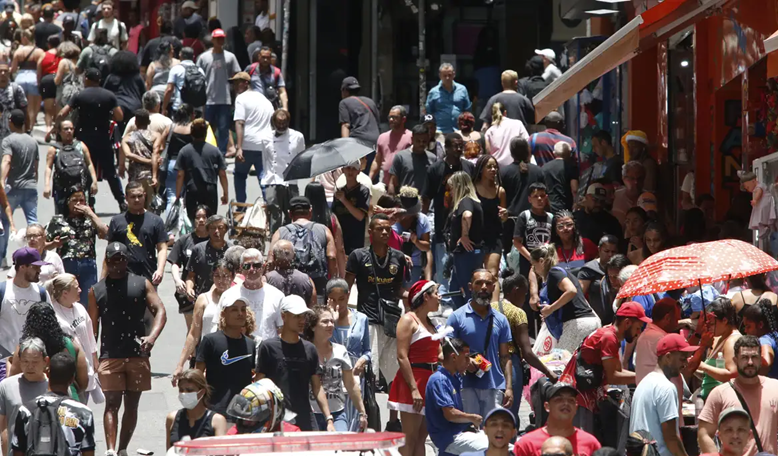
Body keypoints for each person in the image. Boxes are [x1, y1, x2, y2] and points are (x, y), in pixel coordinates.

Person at [88, 241, 166, 456]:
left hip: (137, 354)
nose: (116, 264)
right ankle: (111, 450)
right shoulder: (97, 290)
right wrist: (92, 356)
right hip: (109, 355)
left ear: (126, 260)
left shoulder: (142, 283)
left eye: (121, 259)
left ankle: (122, 448)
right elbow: (92, 328)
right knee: (111, 403)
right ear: (106, 261)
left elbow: (160, 310)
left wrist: (152, 337)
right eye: (112, 260)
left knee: (132, 404)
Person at [559, 302, 649, 436]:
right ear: (627, 323)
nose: (638, 333)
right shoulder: (609, 338)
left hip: (584, 394)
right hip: (579, 397)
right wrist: (646, 378)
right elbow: (613, 376)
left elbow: (617, 371)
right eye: (638, 328)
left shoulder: (611, 334)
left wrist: (644, 375)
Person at [345, 214, 408, 389]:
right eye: (380, 228)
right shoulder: (358, 256)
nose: (385, 232)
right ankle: (365, 411)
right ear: (370, 231)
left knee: (393, 373)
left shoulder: (399, 257)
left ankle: (394, 415)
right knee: (368, 369)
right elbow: (346, 287)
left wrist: (412, 298)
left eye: (388, 229)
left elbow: (398, 288)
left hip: (391, 321)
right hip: (368, 320)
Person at [256, 295, 333, 431]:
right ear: (283, 316)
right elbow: (259, 384)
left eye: (303, 316)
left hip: (305, 419)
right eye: (297, 316)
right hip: (276, 421)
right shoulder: (268, 347)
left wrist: (329, 419)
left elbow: (317, 387)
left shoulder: (310, 349)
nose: (302, 320)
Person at [53, 68, 125, 211]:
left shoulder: (80, 96)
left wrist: (56, 127)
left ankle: (89, 201)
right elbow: (120, 116)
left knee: (85, 170)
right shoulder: (109, 96)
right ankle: (121, 201)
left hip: (84, 139)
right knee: (110, 173)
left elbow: (64, 112)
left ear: (86, 78)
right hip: (103, 139)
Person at [447, 270, 512, 417]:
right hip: (465, 386)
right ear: (470, 287)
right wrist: (465, 360)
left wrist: (508, 387)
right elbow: (446, 350)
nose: (484, 287)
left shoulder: (501, 320)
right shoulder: (456, 318)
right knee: (470, 432)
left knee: (492, 432)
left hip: (494, 386)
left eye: (488, 284)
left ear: (494, 288)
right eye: (479, 283)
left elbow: (505, 357)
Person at [698, 336, 778, 456]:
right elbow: (704, 434)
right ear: (735, 360)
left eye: (754, 357)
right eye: (745, 358)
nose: (750, 362)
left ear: (760, 360)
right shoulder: (720, 393)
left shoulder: (775, 388)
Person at [388, 280, 441, 456]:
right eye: (436, 293)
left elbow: (439, 355)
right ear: (425, 297)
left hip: (429, 383)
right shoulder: (408, 320)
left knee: (421, 437)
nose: (439, 297)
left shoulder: (432, 323)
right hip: (413, 382)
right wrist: (414, 389)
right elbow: (402, 356)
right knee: (409, 438)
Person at [496, 270, 557, 420]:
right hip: (511, 365)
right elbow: (527, 353)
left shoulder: (491, 308)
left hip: (491, 365)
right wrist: (549, 372)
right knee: (510, 415)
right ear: (516, 290)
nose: (525, 299)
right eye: (524, 294)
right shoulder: (518, 313)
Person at [12, 352, 96, 456]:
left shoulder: (26, 410)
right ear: (72, 379)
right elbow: (88, 452)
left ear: (47, 373)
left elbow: (18, 451)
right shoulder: (84, 413)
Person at [631, 334, 699, 456]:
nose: (685, 364)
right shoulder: (666, 387)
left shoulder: (644, 383)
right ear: (668, 357)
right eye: (682, 359)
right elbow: (671, 438)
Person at [304, 305, 368, 432]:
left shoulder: (340, 350)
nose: (330, 325)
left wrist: (362, 412)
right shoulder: (304, 351)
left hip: (338, 413)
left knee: (340, 449)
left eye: (332, 321)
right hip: (311, 415)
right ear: (312, 326)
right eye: (325, 321)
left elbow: (350, 383)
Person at [8, 302, 89, 401]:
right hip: (68, 402)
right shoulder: (71, 345)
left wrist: (8, 362)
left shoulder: (24, 348)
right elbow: (83, 383)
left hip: (34, 405)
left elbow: (13, 380)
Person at [171, 259, 234, 385]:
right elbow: (193, 334)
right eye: (217, 276)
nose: (221, 280)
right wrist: (180, 365)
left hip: (232, 356)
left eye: (225, 276)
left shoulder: (238, 299)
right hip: (208, 356)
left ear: (232, 277)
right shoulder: (203, 299)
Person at [423, 133, 474, 285]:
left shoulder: (469, 167)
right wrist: (421, 222)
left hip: (466, 227)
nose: (459, 149)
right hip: (443, 227)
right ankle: (445, 302)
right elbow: (426, 197)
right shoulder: (435, 169)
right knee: (444, 269)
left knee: (464, 270)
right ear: (446, 148)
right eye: (455, 146)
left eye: (461, 145)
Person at [529, 243, 600, 353]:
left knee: (560, 363)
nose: (534, 269)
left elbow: (571, 290)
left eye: (534, 265)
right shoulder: (562, 273)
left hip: (578, 324)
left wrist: (551, 308)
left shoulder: (554, 272)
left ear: (541, 261)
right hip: (590, 321)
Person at [425, 337, 488, 456]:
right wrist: (472, 418)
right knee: (494, 447)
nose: (469, 361)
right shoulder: (439, 380)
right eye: (466, 357)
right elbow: (450, 414)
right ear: (454, 357)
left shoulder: (454, 377)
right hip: (449, 437)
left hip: (459, 433)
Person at [195, 294, 255, 417]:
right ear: (223, 314)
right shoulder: (210, 341)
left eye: (243, 309)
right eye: (234, 310)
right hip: (215, 411)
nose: (240, 313)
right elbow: (198, 375)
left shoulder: (250, 344)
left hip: (243, 414)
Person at [45, 188, 106, 305]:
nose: (78, 204)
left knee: (88, 300)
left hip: (88, 264)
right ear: (67, 202)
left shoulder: (91, 220)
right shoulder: (58, 220)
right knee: (66, 300)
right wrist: (53, 244)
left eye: (82, 200)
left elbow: (105, 234)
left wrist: (91, 214)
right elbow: (42, 245)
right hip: (67, 264)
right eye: (74, 200)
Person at [326, 278, 371, 431]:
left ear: (348, 295)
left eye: (342, 299)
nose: (338, 304)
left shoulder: (361, 318)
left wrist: (363, 360)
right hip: (333, 376)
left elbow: (367, 350)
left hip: (355, 375)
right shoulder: (324, 321)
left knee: (355, 419)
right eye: (333, 299)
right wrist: (332, 319)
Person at [268, 195, 336, 296]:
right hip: (318, 282)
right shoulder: (324, 230)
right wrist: (332, 281)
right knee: (317, 310)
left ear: (290, 213)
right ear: (310, 211)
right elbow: (332, 256)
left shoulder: (280, 232)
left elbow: (270, 260)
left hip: (288, 283)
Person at [47, 274, 98, 401]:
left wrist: (94, 356)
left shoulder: (80, 308)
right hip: (70, 370)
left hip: (87, 366)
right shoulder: (53, 314)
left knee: (84, 403)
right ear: (65, 293)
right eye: (76, 288)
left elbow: (90, 333)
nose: (80, 290)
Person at [513, 383, 601, 456]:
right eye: (559, 400)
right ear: (547, 406)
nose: (566, 403)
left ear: (576, 407)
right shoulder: (527, 444)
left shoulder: (590, 443)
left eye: (571, 400)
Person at [214, 249, 284, 341]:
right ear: (241, 268)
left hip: (267, 352)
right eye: (247, 266)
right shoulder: (228, 295)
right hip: (237, 352)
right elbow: (220, 327)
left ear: (263, 267)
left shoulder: (277, 296)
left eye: (256, 265)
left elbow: (282, 330)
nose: (252, 269)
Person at [105, 182, 167, 286]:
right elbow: (109, 252)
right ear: (126, 198)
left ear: (145, 195)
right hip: (122, 277)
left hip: (148, 276)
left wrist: (160, 270)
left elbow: (162, 248)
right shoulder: (117, 221)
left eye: (140, 196)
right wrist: (104, 277)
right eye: (133, 197)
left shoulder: (156, 221)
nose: (137, 200)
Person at [0, 247, 52, 371]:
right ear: (22, 267)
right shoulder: (3, 292)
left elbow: (51, 325)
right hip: (5, 362)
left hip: (34, 362)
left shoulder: (41, 293)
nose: (40, 270)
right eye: (35, 267)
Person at [0, 337, 49, 456]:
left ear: (45, 361)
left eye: (35, 362)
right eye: (25, 361)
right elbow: (3, 427)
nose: (30, 366)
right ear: (19, 361)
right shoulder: (6, 386)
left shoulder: (54, 387)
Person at [0, 110, 37, 262]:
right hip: (30, 186)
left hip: (13, 187)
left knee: (4, 222)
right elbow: (36, 165)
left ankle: (2, 257)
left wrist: (2, 179)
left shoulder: (8, 141)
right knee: (33, 222)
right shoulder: (33, 141)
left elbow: (7, 160)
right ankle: (36, 252)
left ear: (11, 122)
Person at [174, 118, 229, 220]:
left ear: (192, 133)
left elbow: (180, 175)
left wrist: (178, 195)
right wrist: (225, 193)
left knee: (194, 218)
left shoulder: (184, 151)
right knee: (210, 219)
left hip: (192, 190)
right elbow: (222, 174)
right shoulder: (215, 151)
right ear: (205, 133)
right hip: (210, 190)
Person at [197, 29, 241, 154]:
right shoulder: (204, 57)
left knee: (223, 128)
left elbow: (237, 75)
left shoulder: (230, 57)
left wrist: (237, 93)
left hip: (225, 98)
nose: (220, 41)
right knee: (206, 127)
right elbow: (197, 76)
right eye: (217, 38)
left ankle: (220, 154)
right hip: (208, 98)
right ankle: (204, 152)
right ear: (213, 40)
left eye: (222, 38)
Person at [232, 71, 273, 203]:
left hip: (247, 145)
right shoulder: (264, 99)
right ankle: (269, 207)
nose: (234, 86)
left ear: (246, 83)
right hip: (264, 144)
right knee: (264, 178)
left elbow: (239, 122)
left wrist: (239, 148)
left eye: (237, 83)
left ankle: (241, 207)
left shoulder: (241, 98)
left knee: (239, 175)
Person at [263, 109, 305, 234]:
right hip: (272, 179)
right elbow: (265, 160)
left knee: (292, 212)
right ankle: (274, 238)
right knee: (273, 211)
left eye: (284, 123)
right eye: (278, 123)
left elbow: (300, 157)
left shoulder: (298, 136)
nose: (281, 126)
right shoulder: (265, 138)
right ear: (273, 122)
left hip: (290, 180)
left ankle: (289, 238)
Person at [447, 172, 485, 309]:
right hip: (468, 253)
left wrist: (464, 236)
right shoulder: (473, 201)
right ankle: (461, 315)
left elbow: (467, 216)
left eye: (452, 187)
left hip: (467, 253)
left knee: (468, 289)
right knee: (454, 289)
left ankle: (471, 317)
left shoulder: (466, 201)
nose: (450, 191)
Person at [43, 119, 99, 213]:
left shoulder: (81, 146)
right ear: (59, 132)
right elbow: (48, 167)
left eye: (71, 129)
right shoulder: (54, 149)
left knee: (84, 213)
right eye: (66, 129)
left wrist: (94, 181)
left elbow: (89, 164)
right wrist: (47, 185)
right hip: (61, 189)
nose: (69, 131)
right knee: (61, 215)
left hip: (81, 187)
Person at [501, 138, 544, 255]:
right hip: (534, 220)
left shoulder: (504, 172)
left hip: (511, 221)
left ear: (511, 152)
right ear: (528, 151)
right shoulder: (538, 171)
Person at [166, 368, 227, 449]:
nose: (184, 393)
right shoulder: (172, 418)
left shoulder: (217, 421)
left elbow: (221, 452)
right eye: (181, 390)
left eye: (189, 390)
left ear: (202, 392)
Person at [697, 297, 742, 401]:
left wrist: (703, 366)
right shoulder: (719, 338)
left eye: (712, 324)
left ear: (725, 320)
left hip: (722, 402)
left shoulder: (732, 341)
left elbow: (732, 375)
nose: (709, 327)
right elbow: (710, 377)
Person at [155, 103, 194, 214]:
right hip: (189, 166)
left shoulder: (170, 128)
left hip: (172, 164)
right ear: (191, 115)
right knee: (188, 198)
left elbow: (160, 146)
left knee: (172, 197)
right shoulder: (192, 129)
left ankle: (170, 227)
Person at [512, 182, 552, 278]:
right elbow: (516, 242)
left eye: (542, 196)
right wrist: (532, 260)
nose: (539, 199)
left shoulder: (551, 217)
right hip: (528, 262)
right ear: (529, 199)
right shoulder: (524, 216)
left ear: (546, 198)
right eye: (535, 196)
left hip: (547, 262)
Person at [392, 188, 432, 285]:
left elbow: (427, 247)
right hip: (393, 262)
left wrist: (416, 241)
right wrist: (397, 240)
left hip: (414, 265)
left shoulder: (423, 220)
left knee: (408, 296)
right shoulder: (392, 217)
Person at [577, 236, 619, 325]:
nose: (610, 255)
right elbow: (579, 296)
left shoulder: (621, 268)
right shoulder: (589, 269)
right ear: (599, 250)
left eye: (613, 252)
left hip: (618, 319)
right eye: (607, 251)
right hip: (597, 320)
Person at [103, 50, 145, 136]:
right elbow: (143, 94)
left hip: (117, 108)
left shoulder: (111, 77)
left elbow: (105, 93)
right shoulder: (137, 77)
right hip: (134, 107)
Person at [332, 161, 371, 255]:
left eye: (354, 169)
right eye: (348, 168)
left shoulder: (363, 191)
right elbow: (334, 216)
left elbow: (360, 216)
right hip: (340, 238)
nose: (350, 171)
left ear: (358, 171)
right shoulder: (339, 192)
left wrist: (344, 200)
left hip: (356, 239)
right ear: (342, 170)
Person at [120, 109, 156, 206]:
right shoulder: (155, 136)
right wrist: (150, 162)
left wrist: (121, 166)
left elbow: (127, 154)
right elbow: (157, 154)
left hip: (135, 177)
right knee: (150, 207)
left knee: (134, 206)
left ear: (135, 122)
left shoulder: (128, 137)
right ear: (149, 122)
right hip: (150, 176)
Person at [388, 124, 436, 195]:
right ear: (412, 139)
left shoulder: (433, 159)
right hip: (404, 201)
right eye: (418, 141)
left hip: (424, 203)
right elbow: (392, 182)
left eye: (424, 141)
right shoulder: (401, 157)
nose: (421, 144)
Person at [338, 76, 380, 155]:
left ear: (344, 90)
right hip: (375, 141)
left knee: (357, 166)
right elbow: (377, 122)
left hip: (359, 141)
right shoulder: (370, 101)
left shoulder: (344, 103)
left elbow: (345, 125)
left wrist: (345, 148)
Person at [265, 240, 316, 306]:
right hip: (300, 316)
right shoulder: (307, 280)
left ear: (274, 257)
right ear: (294, 256)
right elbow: (313, 306)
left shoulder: (266, 280)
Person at [426, 63, 472, 134]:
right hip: (440, 131)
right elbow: (429, 113)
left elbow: (467, 111)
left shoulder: (462, 89)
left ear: (454, 74)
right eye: (444, 75)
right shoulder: (433, 92)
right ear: (440, 76)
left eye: (449, 75)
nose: (447, 78)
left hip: (459, 131)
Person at [372, 106, 413, 184]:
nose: (391, 120)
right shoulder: (382, 137)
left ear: (403, 119)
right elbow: (377, 161)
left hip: (405, 185)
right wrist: (369, 179)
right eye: (390, 117)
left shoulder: (411, 137)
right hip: (385, 185)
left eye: (395, 117)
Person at [9, 30, 38, 131]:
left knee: (20, 105)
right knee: (32, 106)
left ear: (24, 38)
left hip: (20, 78)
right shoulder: (38, 51)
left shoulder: (19, 51)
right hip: (34, 77)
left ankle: (20, 127)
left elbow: (12, 69)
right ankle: (30, 128)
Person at [484, 103, 529, 167]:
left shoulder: (489, 131)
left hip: (497, 168)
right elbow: (527, 142)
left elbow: (487, 151)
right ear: (505, 112)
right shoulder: (518, 124)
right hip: (517, 166)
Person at [742, 300, 778, 378]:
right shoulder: (775, 335)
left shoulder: (763, 340)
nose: (745, 330)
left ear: (760, 325)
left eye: (748, 326)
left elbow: (766, 361)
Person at [162, 47, 204, 114]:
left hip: (180, 108)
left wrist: (163, 108)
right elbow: (203, 90)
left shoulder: (176, 69)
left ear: (180, 55)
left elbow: (169, 89)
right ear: (193, 57)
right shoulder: (200, 70)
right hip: (196, 109)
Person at [246, 46, 287, 111]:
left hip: (271, 107)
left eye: (268, 58)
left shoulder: (276, 72)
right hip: (253, 107)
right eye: (263, 57)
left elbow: (282, 91)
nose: (265, 60)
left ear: (271, 58)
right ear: (259, 57)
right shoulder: (251, 69)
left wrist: (285, 108)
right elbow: (241, 85)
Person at [542, 142, 578, 214]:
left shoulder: (544, 167)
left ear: (554, 153)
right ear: (569, 153)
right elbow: (574, 189)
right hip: (566, 207)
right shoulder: (572, 167)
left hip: (550, 207)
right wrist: (576, 203)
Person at [38, 35, 62, 129]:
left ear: (49, 44)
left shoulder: (44, 54)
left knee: (48, 109)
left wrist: (39, 82)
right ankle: (56, 128)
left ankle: (48, 128)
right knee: (57, 106)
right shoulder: (62, 54)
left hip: (46, 80)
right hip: (59, 78)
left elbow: (39, 70)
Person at [612, 161, 646, 226]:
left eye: (639, 178)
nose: (636, 182)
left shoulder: (650, 198)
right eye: (632, 178)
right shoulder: (614, 196)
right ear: (623, 178)